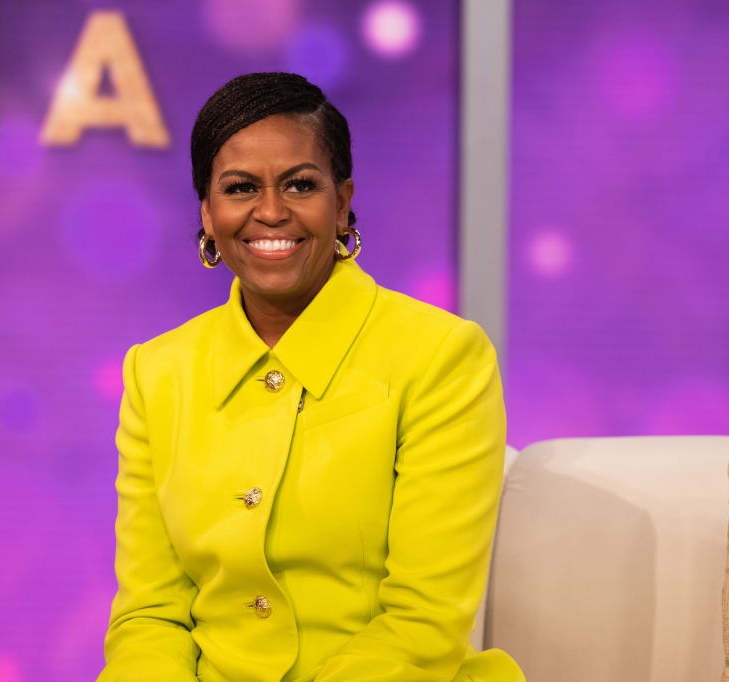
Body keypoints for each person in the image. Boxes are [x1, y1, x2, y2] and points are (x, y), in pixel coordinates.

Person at [98, 72, 523, 682]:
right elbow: (151, 616)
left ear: (342, 200)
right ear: (209, 214)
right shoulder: (157, 372)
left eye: (300, 184)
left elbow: (422, 621)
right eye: (240, 188)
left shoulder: (442, 357)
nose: (270, 212)